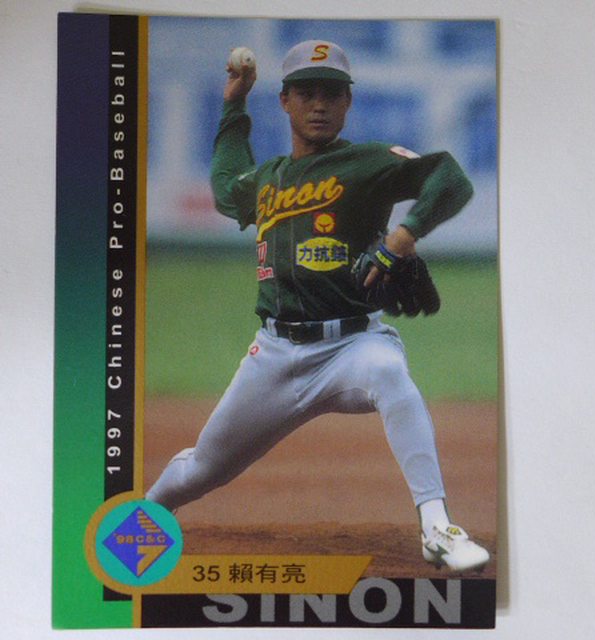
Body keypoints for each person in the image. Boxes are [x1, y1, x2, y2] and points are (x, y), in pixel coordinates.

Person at [146, 40, 489, 572]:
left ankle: (437, 527)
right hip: (274, 356)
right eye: (307, 93)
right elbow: (225, 186)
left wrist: (402, 237)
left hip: (353, 345)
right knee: (202, 469)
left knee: (389, 371)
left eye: (332, 93)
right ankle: (144, 517)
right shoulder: (267, 180)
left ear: (348, 102)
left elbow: (450, 178)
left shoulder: (367, 162)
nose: (320, 105)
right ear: (285, 101)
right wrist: (234, 103)